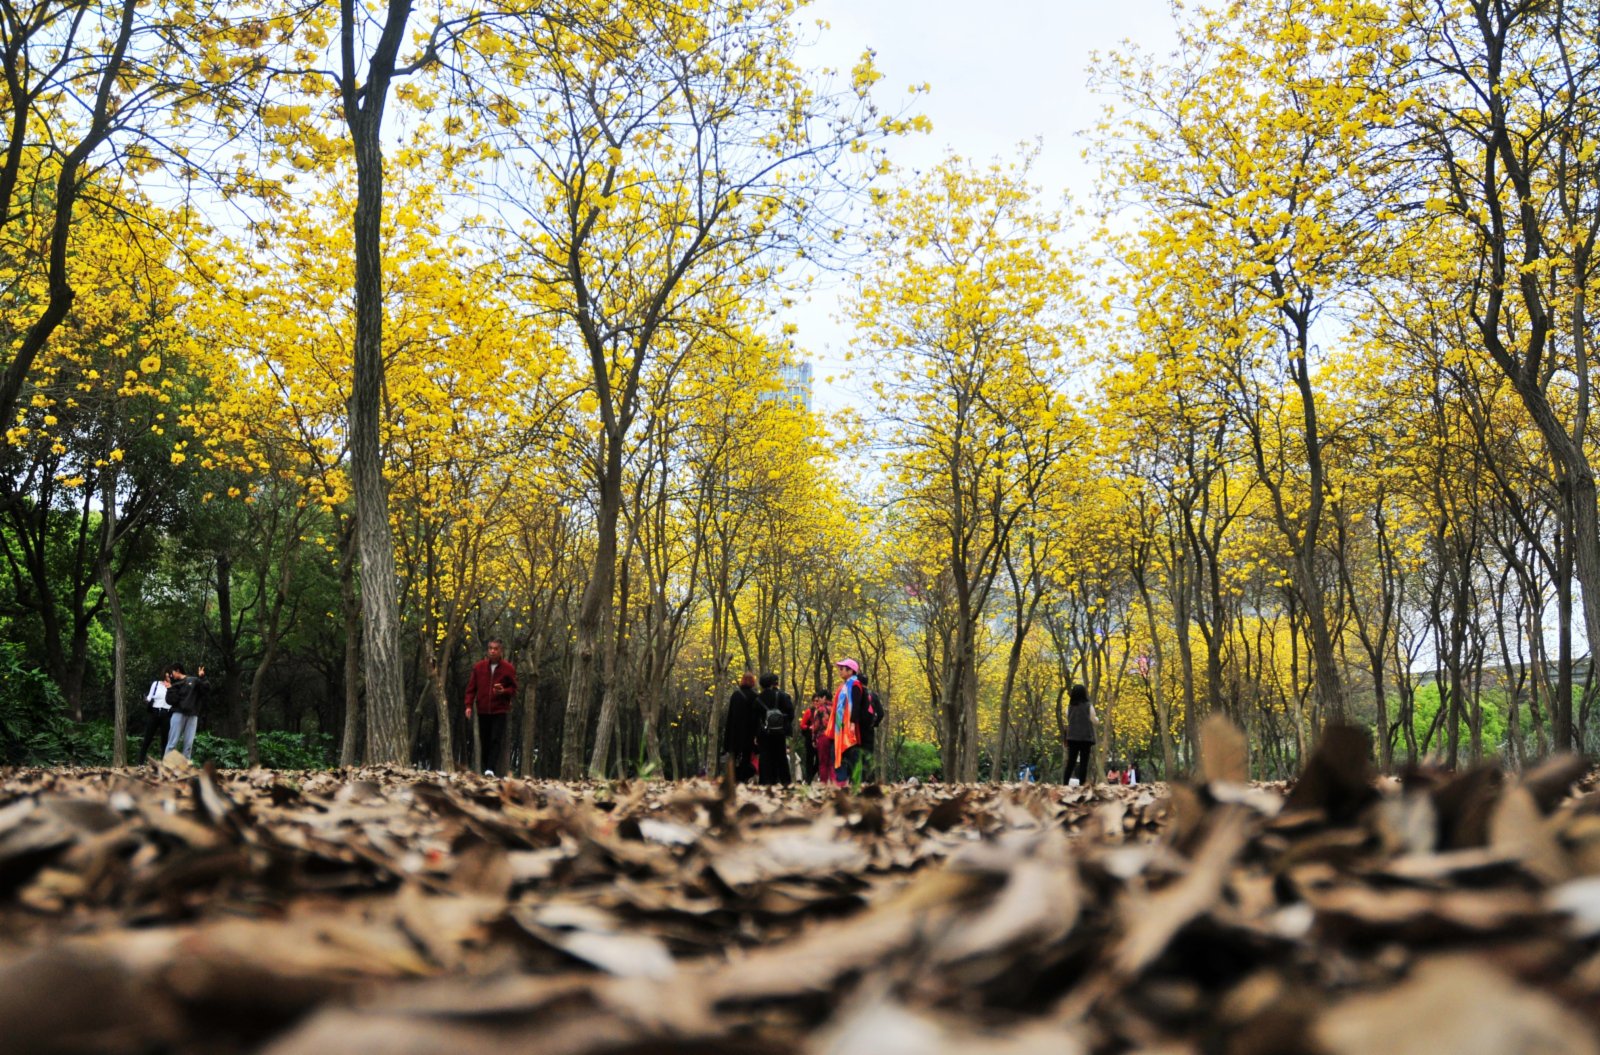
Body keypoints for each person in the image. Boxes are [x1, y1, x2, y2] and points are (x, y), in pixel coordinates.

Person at [464, 638, 517, 775]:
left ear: (501, 651)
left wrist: (503, 691)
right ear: (487, 650)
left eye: (495, 649)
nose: (492, 651)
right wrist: (468, 705)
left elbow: (513, 689)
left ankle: (490, 769)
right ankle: (486, 767)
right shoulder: (478, 667)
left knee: (495, 739)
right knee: (485, 740)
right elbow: (471, 688)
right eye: (490, 648)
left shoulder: (508, 668)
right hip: (482, 710)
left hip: (499, 710)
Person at [163, 663, 210, 761]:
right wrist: (169, 689)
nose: (171, 676)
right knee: (172, 742)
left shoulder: (194, 680)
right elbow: (171, 701)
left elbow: (206, 689)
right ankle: (166, 766)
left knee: (188, 744)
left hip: (193, 715)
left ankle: (185, 768)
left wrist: (202, 677)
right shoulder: (174, 685)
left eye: (172, 673)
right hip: (178, 714)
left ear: (177, 670)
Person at [754, 672, 794, 786]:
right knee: (781, 757)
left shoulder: (758, 699)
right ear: (773, 683)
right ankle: (785, 782)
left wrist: (756, 734)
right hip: (779, 732)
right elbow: (791, 713)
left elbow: (755, 719)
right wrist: (784, 725)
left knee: (765, 757)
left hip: (764, 733)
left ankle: (765, 783)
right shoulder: (782, 696)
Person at [721, 671, 761, 782]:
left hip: (735, 733)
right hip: (749, 734)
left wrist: (727, 737)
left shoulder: (735, 695)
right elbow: (757, 719)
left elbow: (730, 717)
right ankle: (743, 778)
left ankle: (734, 779)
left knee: (734, 757)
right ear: (753, 682)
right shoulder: (755, 697)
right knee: (746, 758)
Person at [832, 658, 866, 783]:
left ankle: (855, 781)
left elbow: (855, 705)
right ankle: (845, 781)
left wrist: (852, 723)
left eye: (842, 669)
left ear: (851, 671)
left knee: (852, 753)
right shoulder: (844, 686)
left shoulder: (855, 685)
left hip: (850, 726)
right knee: (843, 753)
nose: (840, 671)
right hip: (842, 726)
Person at [1062, 683, 1097, 787]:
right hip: (1085, 738)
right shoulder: (1089, 706)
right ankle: (1082, 784)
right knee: (1084, 763)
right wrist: (1097, 720)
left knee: (1071, 762)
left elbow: (1069, 718)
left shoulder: (1069, 708)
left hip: (1072, 737)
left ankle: (1065, 783)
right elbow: (1094, 720)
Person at [138, 666, 174, 761]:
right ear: (164, 673)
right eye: (168, 673)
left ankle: (163, 762)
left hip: (166, 714)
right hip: (154, 712)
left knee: (165, 740)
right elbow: (150, 697)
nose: (169, 675)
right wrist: (146, 699)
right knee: (148, 738)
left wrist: (170, 687)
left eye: (170, 674)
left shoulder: (174, 686)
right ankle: (141, 762)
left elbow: (174, 700)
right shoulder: (156, 684)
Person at [798, 691, 826, 782]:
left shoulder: (824, 711)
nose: (815, 702)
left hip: (820, 738)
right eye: (814, 701)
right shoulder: (809, 712)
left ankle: (809, 778)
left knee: (819, 760)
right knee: (809, 760)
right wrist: (809, 727)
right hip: (810, 738)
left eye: (817, 701)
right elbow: (802, 725)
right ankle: (808, 780)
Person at [808, 691, 835, 784]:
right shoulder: (837, 708)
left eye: (819, 698)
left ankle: (824, 783)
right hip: (836, 737)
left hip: (823, 736)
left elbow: (816, 726)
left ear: (824, 697)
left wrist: (813, 739)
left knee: (823, 762)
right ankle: (834, 783)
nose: (818, 700)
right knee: (833, 761)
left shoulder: (820, 710)